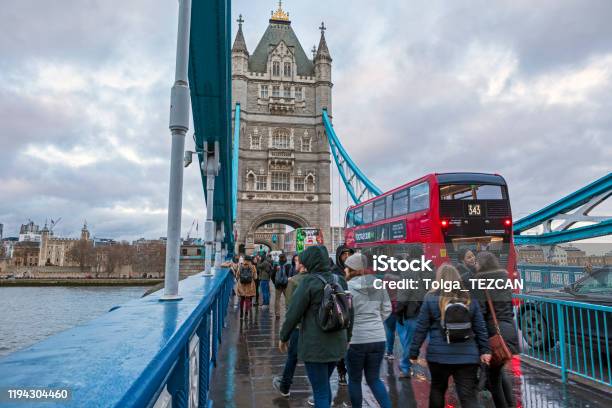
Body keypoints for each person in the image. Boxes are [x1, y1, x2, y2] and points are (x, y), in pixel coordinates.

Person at [409, 264, 491, 408]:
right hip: (467, 356)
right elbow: (480, 327)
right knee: (468, 396)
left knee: (437, 390)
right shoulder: (468, 297)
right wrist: (485, 350)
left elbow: (421, 328)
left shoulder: (430, 297)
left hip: (438, 356)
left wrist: (414, 352)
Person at [279, 246, 349, 408]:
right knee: (324, 386)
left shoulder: (308, 282)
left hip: (315, 346)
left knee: (321, 392)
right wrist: (348, 338)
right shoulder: (339, 280)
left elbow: (292, 314)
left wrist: (284, 337)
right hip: (337, 344)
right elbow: (348, 312)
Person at [344, 253, 392, 408]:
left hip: (356, 340)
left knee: (355, 379)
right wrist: (376, 321)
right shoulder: (378, 284)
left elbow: (344, 315)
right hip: (378, 338)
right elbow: (387, 309)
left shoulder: (347, 288)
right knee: (374, 379)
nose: (345, 270)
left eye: (347, 268)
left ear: (353, 270)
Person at [472, 251, 519, 408]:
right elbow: (509, 305)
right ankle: (511, 404)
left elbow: (482, 311)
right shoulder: (504, 277)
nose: (475, 265)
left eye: (477, 262)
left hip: (494, 332)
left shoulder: (480, 280)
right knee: (498, 371)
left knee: (493, 379)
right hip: (509, 328)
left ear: (482, 264)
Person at [272, 254, 309, 397]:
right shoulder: (318, 279)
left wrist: (284, 335)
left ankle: (285, 386)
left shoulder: (293, 281)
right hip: (315, 328)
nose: (295, 263)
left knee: (292, 357)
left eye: (297, 261)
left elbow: (290, 309)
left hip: (298, 327)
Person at [394, 246, 431, 377]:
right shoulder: (431, 268)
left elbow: (403, 294)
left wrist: (399, 311)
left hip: (414, 311)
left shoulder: (408, 270)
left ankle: (405, 368)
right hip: (430, 311)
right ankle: (433, 367)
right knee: (430, 341)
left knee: (411, 341)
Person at [331, 244, 354, 385]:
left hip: (354, 313)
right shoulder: (335, 273)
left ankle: (350, 370)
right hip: (341, 313)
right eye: (344, 254)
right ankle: (341, 372)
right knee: (341, 344)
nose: (347, 257)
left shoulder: (356, 271)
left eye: (349, 254)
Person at [382, 267, 402, 360]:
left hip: (389, 307)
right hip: (400, 307)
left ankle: (389, 352)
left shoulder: (386, 277)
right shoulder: (402, 278)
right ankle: (404, 354)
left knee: (390, 331)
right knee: (402, 332)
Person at [271, 253, 291, 319]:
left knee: (277, 300)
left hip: (278, 286)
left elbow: (272, 275)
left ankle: (277, 314)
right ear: (285, 258)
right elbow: (290, 275)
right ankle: (288, 312)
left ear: (279, 258)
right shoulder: (288, 265)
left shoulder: (276, 265)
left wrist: (275, 283)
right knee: (288, 299)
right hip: (286, 285)